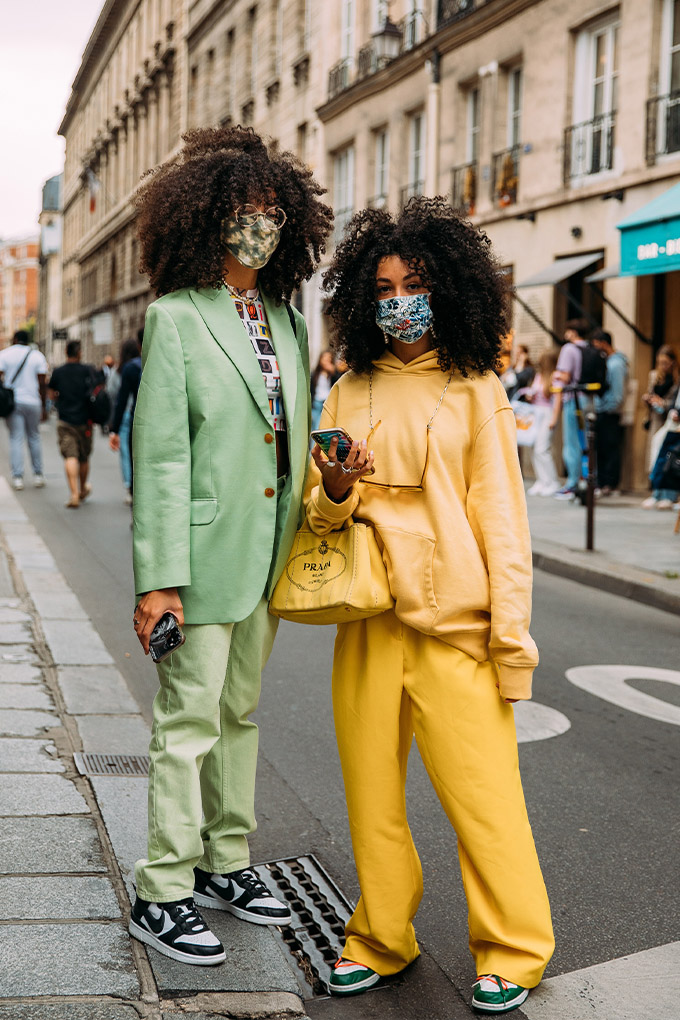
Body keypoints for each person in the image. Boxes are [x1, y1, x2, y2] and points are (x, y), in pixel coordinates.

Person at [304, 198, 554, 1014]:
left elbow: (504, 529)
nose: (398, 300)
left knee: (485, 801)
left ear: (448, 291)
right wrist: (338, 483)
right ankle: (380, 937)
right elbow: (321, 510)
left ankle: (513, 949)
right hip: (369, 619)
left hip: (458, 631)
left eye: (414, 284)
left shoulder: (478, 389)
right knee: (370, 798)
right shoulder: (349, 387)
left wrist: (510, 644)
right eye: (382, 287)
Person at [128, 125, 333, 966]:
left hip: (267, 555)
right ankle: (162, 888)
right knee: (187, 724)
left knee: (239, 716)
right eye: (246, 211)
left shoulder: (289, 320)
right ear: (210, 219)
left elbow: (284, 439)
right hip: (201, 560)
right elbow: (163, 452)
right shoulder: (175, 318)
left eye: (273, 212)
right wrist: (159, 580)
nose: (261, 224)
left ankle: (227, 860)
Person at [48, 341, 97, 508]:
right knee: (83, 457)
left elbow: (51, 394)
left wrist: (60, 399)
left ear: (65, 352)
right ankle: (83, 488)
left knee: (70, 456)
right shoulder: (87, 370)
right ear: (80, 352)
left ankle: (74, 494)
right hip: (85, 420)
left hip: (65, 420)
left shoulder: (58, 372)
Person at [0, 330, 48, 490]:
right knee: (34, 437)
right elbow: (42, 384)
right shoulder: (37, 356)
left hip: (13, 402)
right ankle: (38, 475)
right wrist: (43, 407)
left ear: (14, 339)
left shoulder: (5, 354)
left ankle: (18, 477)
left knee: (16, 438)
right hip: (33, 401)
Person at [552, 318, 591, 499]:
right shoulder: (590, 347)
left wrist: (556, 373)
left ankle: (572, 483)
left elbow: (566, 376)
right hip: (589, 399)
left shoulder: (569, 349)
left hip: (573, 400)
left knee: (572, 443)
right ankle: (588, 481)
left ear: (573, 332)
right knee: (587, 443)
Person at [591, 329, 629, 496]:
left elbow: (618, 394)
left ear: (604, 343)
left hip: (610, 413)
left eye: (597, 345)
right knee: (601, 448)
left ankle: (611, 484)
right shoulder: (607, 362)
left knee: (611, 448)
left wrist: (608, 408)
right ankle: (603, 482)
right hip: (602, 411)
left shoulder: (616, 364)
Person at [519, 346, 560, 496]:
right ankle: (542, 481)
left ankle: (552, 482)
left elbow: (557, 400)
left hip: (547, 414)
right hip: (535, 413)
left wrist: (554, 419)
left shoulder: (555, 377)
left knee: (542, 449)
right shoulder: (538, 376)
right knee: (533, 448)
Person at [108, 333, 142, 504]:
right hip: (143, 414)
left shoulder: (122, 369)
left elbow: (115, 394)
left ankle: (130, 486)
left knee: (127, 453)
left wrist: (113, 428)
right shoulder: (146, 365)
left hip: (127, 413)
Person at [643, 385, 680, 509]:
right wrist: (671, 409)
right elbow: (675, 401)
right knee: (662, 456)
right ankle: (658, 493)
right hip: (672, 422)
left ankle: (669, 495)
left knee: (673, 460)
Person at [642, 345, 678, 468]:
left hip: (669, 419)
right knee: (654, 450)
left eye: (665, 363)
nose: (662, 366)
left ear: (672, 362)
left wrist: (663, 403)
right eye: (660, 363)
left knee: (664, 452)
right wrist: (648, 399)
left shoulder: (677, 379)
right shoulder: (654, 376)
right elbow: (650, 392)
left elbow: (675, 402)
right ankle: (654, 478)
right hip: (655, 418)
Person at [310, 350, 339, 432]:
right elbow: (311, 390)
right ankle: (314, 444)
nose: (326, 361)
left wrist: (333, 371)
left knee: (325, 426)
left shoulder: (333, 374)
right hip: (316, 402)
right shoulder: (315, 374)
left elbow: (338, 383)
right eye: (324, 358)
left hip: (327, 403)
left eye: (329, 358)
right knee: (315, 426)